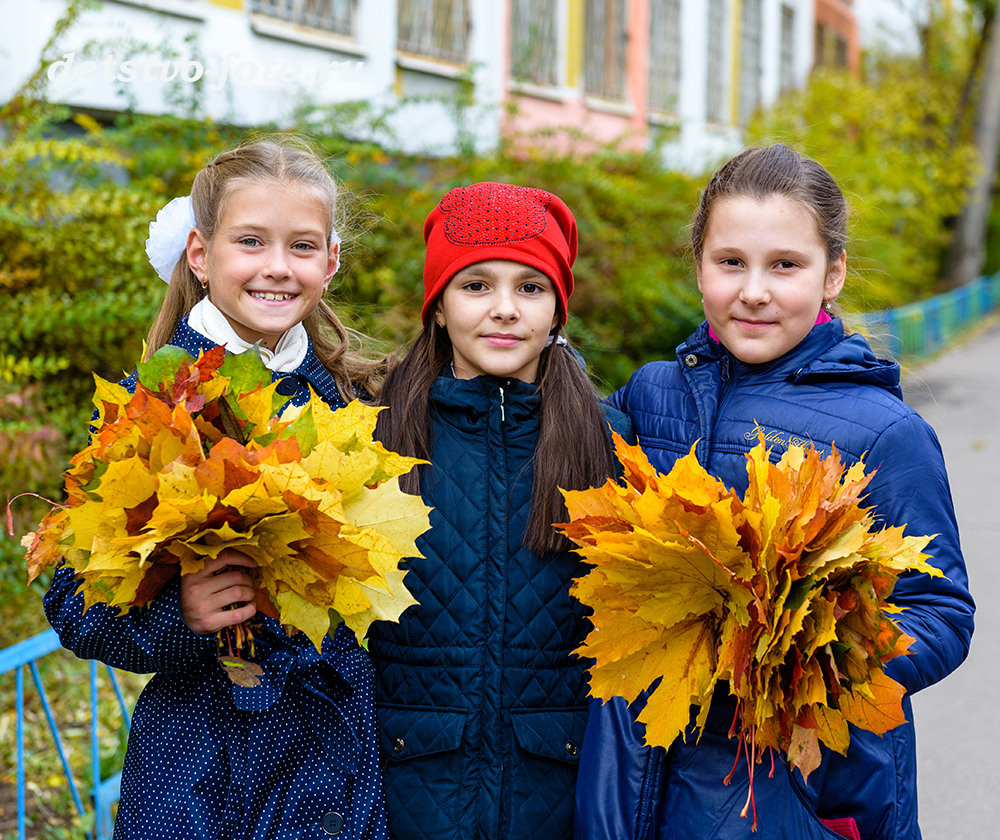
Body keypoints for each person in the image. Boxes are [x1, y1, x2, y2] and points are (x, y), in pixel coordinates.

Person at [574, 144, 975, 840]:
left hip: (801, 791)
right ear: (698, 268)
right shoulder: (650, 397)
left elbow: (942, 610)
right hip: (641, 784)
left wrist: (815, 661)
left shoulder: (885, 433)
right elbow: (554, 456)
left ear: (833, 275)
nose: (753, 290)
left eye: (784, 265)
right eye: (731, 262)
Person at [44, 139, 388, 840]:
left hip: (334, 764)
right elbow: (72, 601)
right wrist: (181, 613)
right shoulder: (153, 405)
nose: (276, 268)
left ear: (331, 261)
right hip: (202, 775)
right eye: (251, 241)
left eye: (300, 246)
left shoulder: (357, 399)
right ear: (201, 255)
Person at [367, 182, 632, 840]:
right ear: (438, 305)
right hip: (406, 793)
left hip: (559, 795)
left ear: (557, 309)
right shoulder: (377, 440)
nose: (505, 310)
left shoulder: (608, 444)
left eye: (531, 288)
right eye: (476, 285)